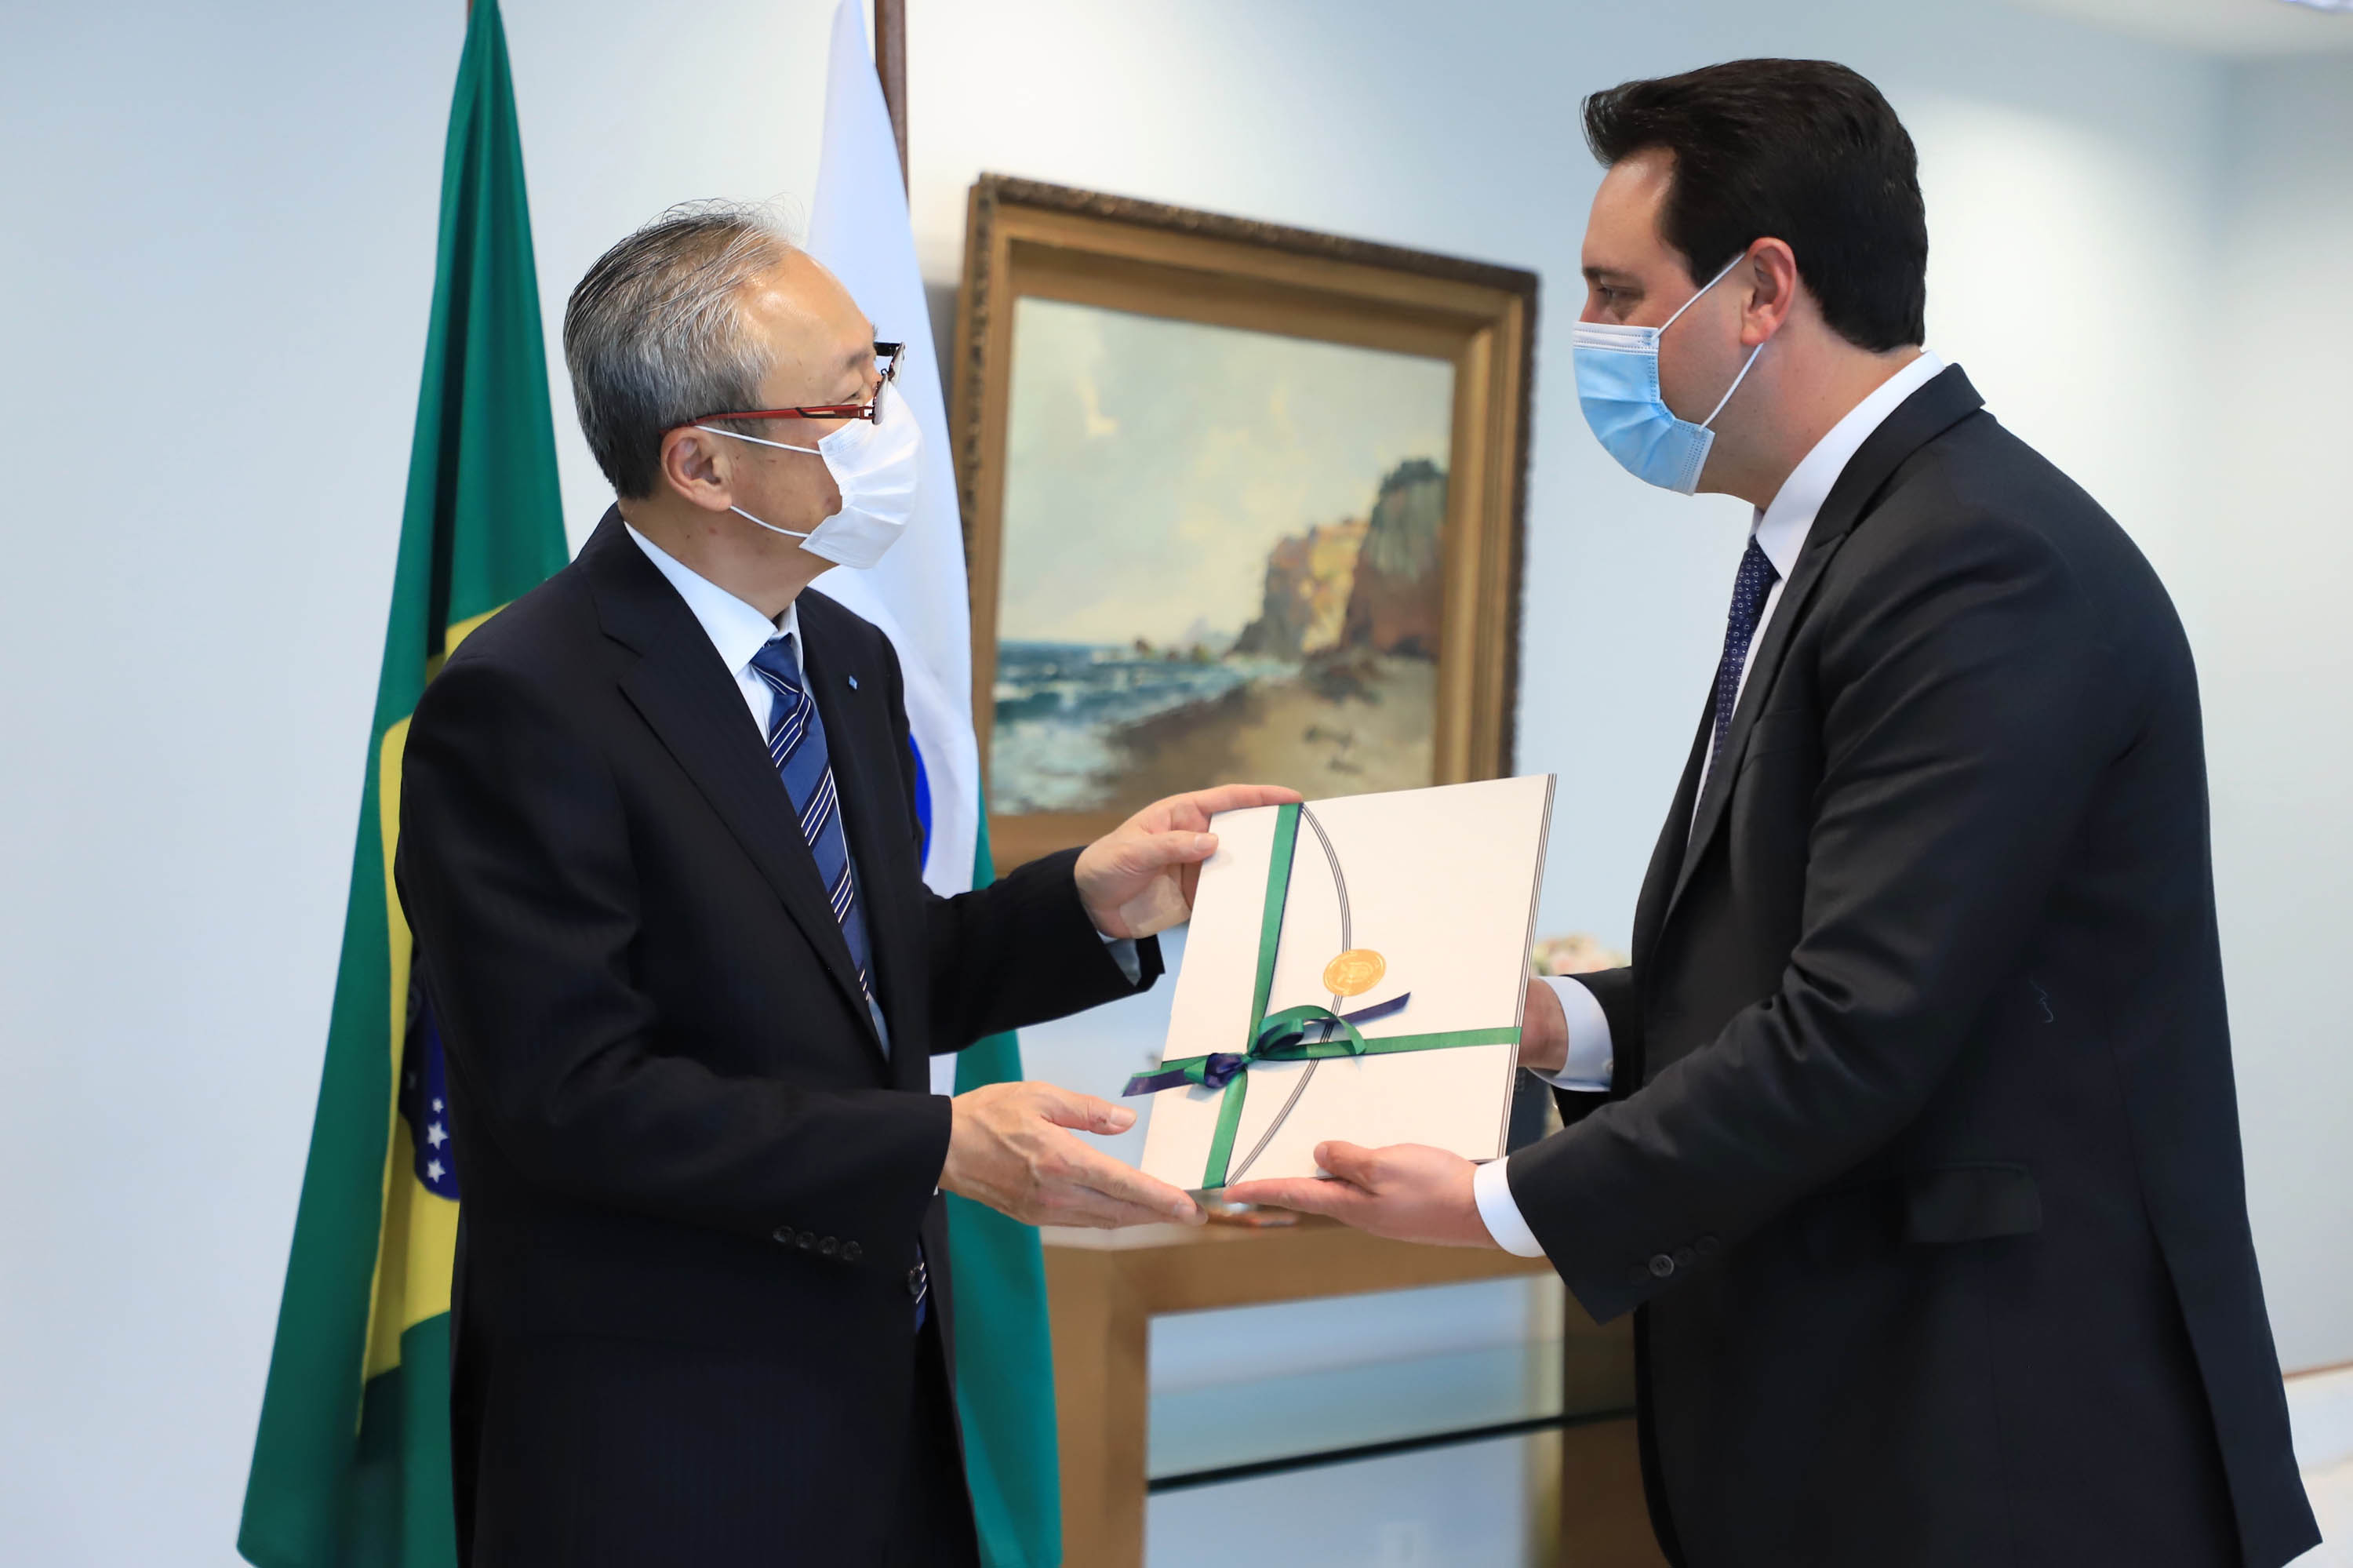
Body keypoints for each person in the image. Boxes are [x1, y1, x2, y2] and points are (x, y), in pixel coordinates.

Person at [1226, 60, 2319, 1568]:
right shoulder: (1862, 543)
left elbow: (1857, 1028)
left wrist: (1495, 1203)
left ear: (1762, 290)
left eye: (1619, 296)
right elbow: (1793, 954)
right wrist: (1560, 1025)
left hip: (1999, 1447)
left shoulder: (1978, 564)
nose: (1598, 342)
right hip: (1879, 1420)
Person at [395, 202, 1296, 1568]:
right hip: (657, 1441)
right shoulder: (522, 700)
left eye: (879, 371)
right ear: (702, 463)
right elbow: (571, 1101)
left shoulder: (845, 659)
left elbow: (864, 979)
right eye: (850, 395)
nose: (890, 421)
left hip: (874, 1400)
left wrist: (1094, 904)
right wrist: (937, 1146)